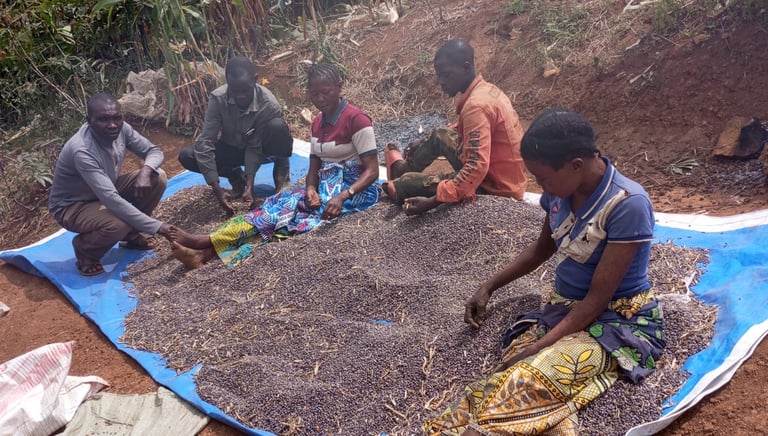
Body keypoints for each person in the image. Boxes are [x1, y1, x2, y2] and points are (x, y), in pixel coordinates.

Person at [425, 108, 664, 435]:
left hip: (614, 320)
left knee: (527, 379)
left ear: (575, 165)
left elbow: (596, 300)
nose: (540, 186)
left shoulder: (627, 204)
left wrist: (537, 348)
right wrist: (488, 287)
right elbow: (542, 249)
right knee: (499, 382)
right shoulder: (560, 193)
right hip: (565, 311)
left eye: (543, 178)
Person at [169, 63, 380, 269]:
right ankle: (206, 253)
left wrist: (343, 196)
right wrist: (310, 188)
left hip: (354, 190)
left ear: (339, 87)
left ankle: (205, 242)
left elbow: (372, 171)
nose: (320, 99)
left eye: (326, 92)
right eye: (314, 94)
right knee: (275, 206)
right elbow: (314, 167)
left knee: (288, 214)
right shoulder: (318, 122)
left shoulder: (357, 119)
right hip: (326, 185)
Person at [383, 38, 527, 216]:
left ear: (466, 68)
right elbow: (467, 129)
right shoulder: (487, 91)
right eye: (439, 76)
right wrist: (423, 141)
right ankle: (402, 170)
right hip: (504, 176)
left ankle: (400, 182)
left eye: (445, 75)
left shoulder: (476, 106)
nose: (441, 81)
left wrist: (434, 201)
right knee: (439, 134)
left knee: (404, 185)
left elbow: (476, 167)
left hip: (495, 188)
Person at [48, 93, 172, 276]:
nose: (112, 125)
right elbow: (111, 199)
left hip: (104, 189)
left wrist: (146, 171)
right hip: (73, 205)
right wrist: (159, 227)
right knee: (118, 224)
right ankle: (85, 251)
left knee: (157, 177)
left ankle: (131, 236)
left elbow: (153, 151)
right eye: (103, 119)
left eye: (117, 118)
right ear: (89, 121)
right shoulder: (82, 150)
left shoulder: (122, 129)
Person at [177, 56, 294, 216]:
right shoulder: (218, 99)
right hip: (233, 148)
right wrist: (216, 188)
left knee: (278, 127)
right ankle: (236, 177)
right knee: (188, 156)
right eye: (235, 90)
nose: (240, 96)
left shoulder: (268, 104)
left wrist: (250, 187)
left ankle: (282, 173)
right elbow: (205, 142)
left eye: (245, 90)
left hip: (262, 150)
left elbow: (255, 147)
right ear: (227, 83)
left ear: (255, 80)